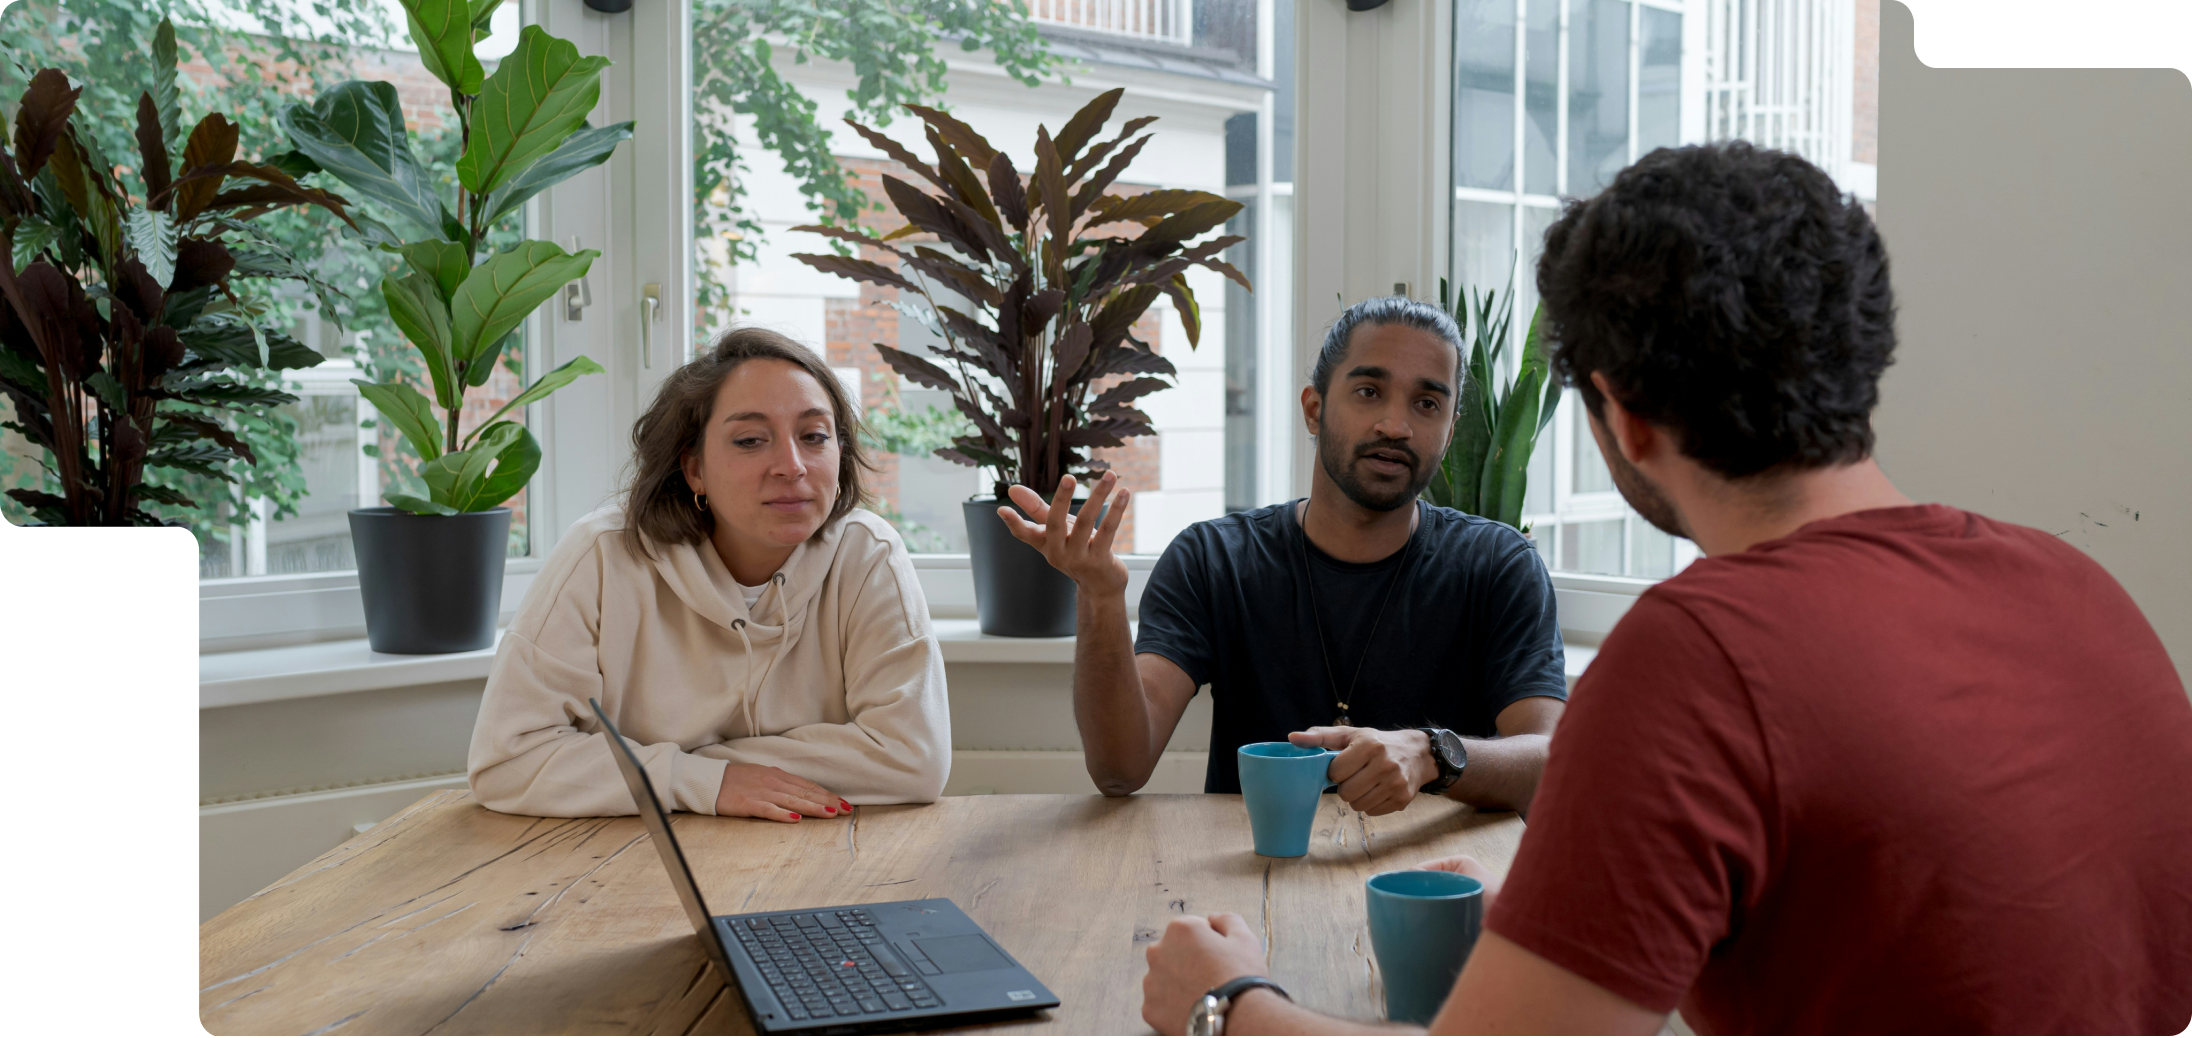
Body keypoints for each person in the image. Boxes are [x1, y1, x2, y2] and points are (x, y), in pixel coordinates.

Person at [1135, 142, 2192, 1035]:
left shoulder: (1700, 657)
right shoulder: (2077, 587)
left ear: (1622, 418)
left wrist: (1227, 1003)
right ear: (1859, 354)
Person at [1002, 297, 1568, 816]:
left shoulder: (1499, 565)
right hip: (1251, 886)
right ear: (1314, 410)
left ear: (1449, 432)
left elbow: (1551, 762)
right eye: (1369, 391)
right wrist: (1100, 599)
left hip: (1431, 887)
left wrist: (1432, 755)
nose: (1395, 425)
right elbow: (1119, 770)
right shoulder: (1213, 559)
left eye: (1426, 403)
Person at [468, 328, 951, 821]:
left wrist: (684, 769)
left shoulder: (867, 554)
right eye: (750, 440)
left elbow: (914, 759)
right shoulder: (602, 555)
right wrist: (697, 781)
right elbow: (507, 761)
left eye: (814, 436)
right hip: (625, 861)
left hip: (816, 851)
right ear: (694, 469)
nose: (792, 465)